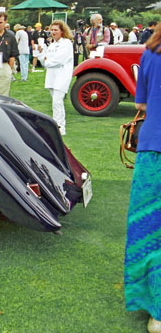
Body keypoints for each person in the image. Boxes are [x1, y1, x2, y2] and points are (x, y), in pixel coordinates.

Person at [124, 21, 161, 333]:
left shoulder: (151, 50)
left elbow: (141, 103)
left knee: (149, 228)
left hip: (153, 148)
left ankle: (157, 311)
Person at [33, 20, 74, 136]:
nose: (53, 32)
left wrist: (47, 61)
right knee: (55, 102)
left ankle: (60, 127)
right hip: (51, 76)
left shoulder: (66, 43)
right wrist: (41, 54)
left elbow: (59, 60)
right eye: (52, 29)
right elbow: (45, 59)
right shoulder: (51, 44)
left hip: (62, 76)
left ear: (62, 31)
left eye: (56, 30)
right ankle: (57, 125)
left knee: (57, 101)